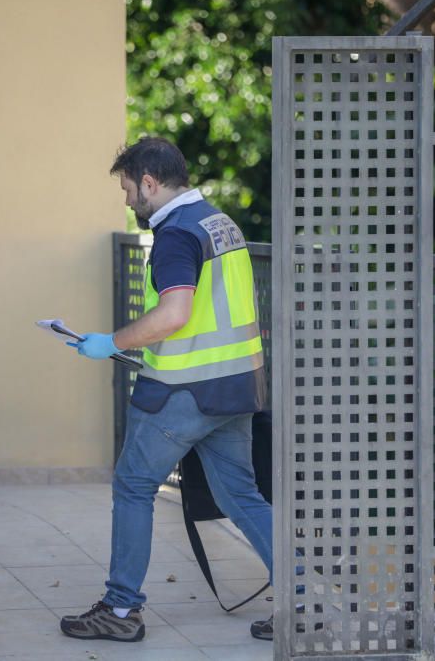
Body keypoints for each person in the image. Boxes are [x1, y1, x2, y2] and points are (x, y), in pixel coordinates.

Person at [59, 137, 274, 643]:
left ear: (150, 184)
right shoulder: (220, 223)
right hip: (235, 388)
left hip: (184, 393)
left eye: (128, 189)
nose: (127, 201)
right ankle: (306, 598)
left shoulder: (175, 234)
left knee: (133, 486)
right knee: (241, 495)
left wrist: (108, 342)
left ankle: (120, 607)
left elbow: (175, 314)